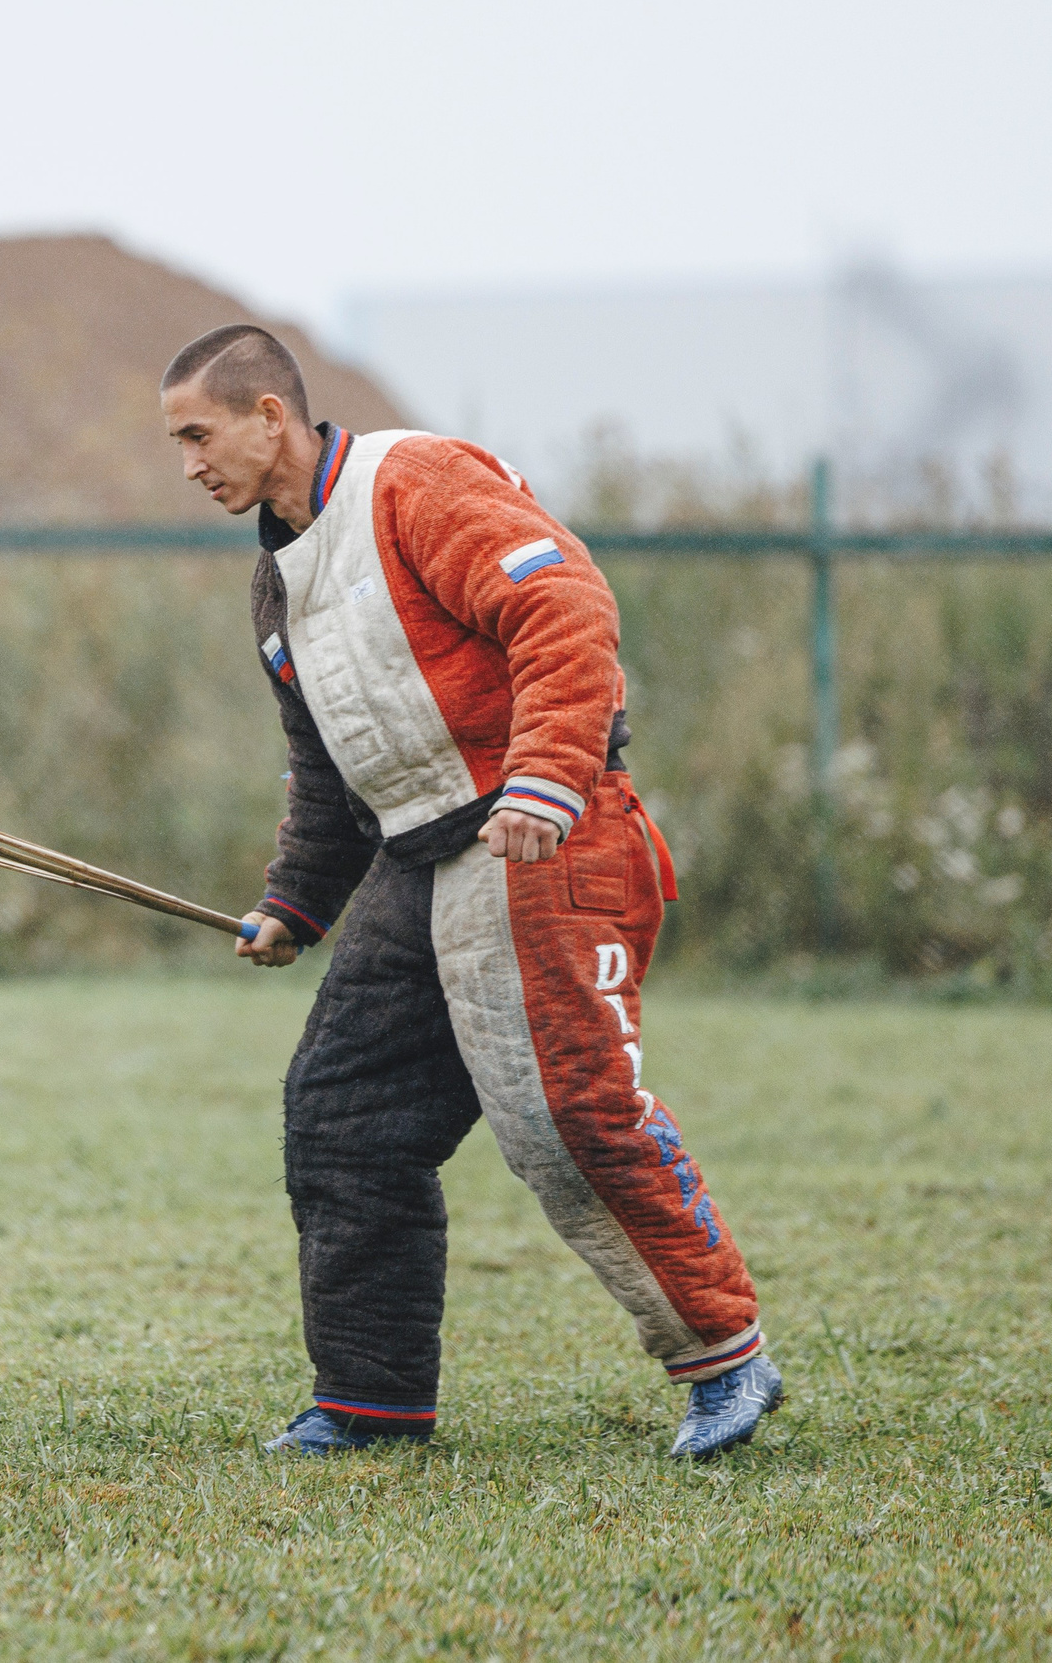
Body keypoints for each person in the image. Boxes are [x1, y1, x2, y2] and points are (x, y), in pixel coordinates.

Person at [160, 324, 783, 1459]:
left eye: (199, 435)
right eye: (178, 445)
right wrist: (294, 903)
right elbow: (324, 764)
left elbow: (565, 607)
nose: (189, 464)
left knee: (570, 1116)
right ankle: (371, 1403)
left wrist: (544, 777)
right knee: (342, 1117)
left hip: (545, 834)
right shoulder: (276, 582)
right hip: (417, 861)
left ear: (269, 416)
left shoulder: (417, 482)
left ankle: (724, 1357)